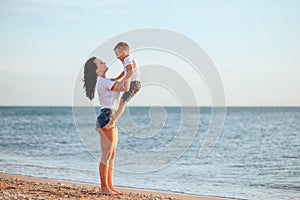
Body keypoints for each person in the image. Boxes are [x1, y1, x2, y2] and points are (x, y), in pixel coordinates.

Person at [83, 57, 129, 195]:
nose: (104, 63)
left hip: (110, 116)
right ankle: (104, 188)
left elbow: (117, 80)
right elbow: (124, 87)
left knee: (111, 155)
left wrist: (126, 71)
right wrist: (130, 73)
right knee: (106, 155)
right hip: (107, 117)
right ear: (96, 71)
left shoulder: (105, 80)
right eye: (101, 63)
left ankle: (110, 186)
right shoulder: (103, 81)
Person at [103, 42, 141, 129]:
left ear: (124, 53)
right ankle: (111, 110)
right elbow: (125, 72)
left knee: (123, 102)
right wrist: (117, 78)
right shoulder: (127, 60)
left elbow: (130, 72)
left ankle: (112, 121)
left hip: (134, 83)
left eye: (117, 54)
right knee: (116, 93)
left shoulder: (127, 60)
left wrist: (122, 81)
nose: (116, 57)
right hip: (131, 82)